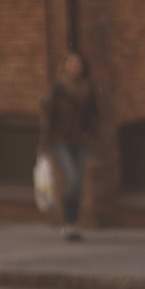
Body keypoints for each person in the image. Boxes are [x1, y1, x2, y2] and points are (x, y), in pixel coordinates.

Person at [38, 52, 98, 241]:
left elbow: (94, 113)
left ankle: (73, 224)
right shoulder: (57, 87)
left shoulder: (87, 89)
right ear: (64, 66)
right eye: (71, 64)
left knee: (77, 183)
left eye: (78, 64)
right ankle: (68, 223)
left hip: (79, 141)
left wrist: (89, 132)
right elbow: (46, 114)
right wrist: (43, 143)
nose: (75, 67)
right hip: (59, 141)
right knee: (71, 178)